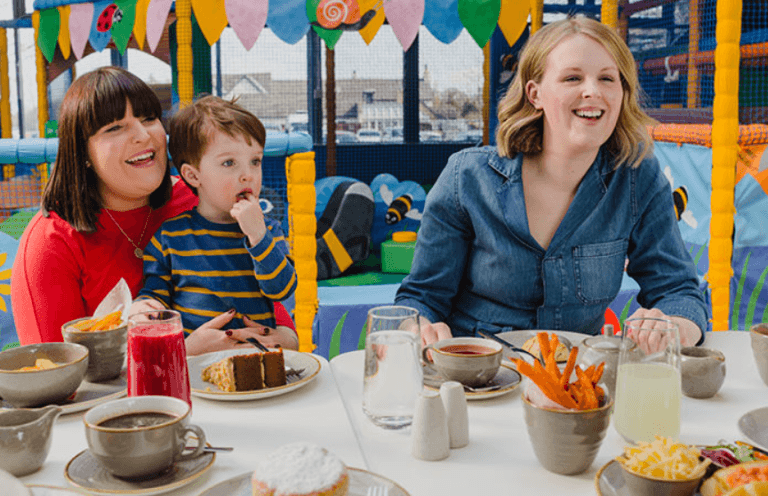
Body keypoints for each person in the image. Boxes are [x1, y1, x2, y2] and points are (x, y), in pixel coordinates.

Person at [395, 16, 707, 353]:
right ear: (535, 94)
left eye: (607, 78)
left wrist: (675, 326)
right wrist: (418, 326)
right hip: (477, 382)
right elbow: (421, 299)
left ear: (622, 93)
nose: (593, 90)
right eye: (573, 77)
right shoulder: (467, 178)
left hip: (575, 386)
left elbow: (679, 291)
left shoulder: (637, 177)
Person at [11, 67, 295, 354]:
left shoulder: (200, 199)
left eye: (149, 118)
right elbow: (54, 370)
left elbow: (268, 302)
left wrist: (284, 337)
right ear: (82, 152)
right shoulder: (50, 242)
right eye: (115, 127)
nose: (143, 135)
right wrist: (183, 353)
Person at [130, 96, 298, 351]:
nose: (248, 175)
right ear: (193, 175)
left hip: (259, 361)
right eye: (229, 163)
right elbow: (156, 296)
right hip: (198, 367)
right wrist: (145, 306)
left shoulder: (268, 230)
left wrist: (258, 236)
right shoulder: (169, 237)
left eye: (255, 161)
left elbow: (282, 290)